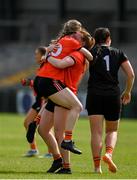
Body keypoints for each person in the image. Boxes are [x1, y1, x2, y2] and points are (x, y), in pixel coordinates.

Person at [28, 19, 93, 155]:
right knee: (62, 128)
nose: (80, 33)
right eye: (80, 31)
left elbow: (44, 54)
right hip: (57, 84)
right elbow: (63, 64)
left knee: (45, 127)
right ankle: (67, 146)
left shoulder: (58, 42)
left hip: (43, 79)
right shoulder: (76, 50)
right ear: (76, 32)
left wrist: (47, 55)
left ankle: (36, 122)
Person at [86, 27, 135, 174]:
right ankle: (108, 153)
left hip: (94, 94)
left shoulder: (91, 53)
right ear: (109, 39)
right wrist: (127, 92)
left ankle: (96, 168)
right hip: (113, 95)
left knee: (96, 133)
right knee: (112, 130)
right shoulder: (118, 53)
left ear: (95, 40)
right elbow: (131, 75)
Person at [22, 47, 52, 157]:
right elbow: (38, 84)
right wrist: (30, 83)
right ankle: (34, 149)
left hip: (44, 100)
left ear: (43, 55)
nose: (35, 56)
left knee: (46, 127)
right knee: (27, 123)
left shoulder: (47, 65)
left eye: (36, 53)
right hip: (38, 100)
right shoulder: (41, 67)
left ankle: (51, 152)